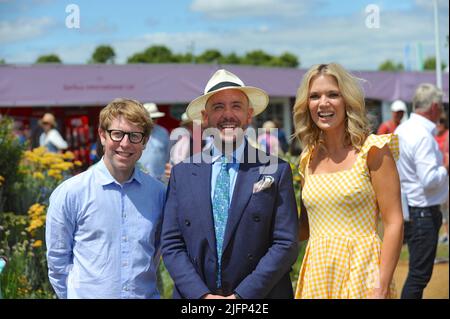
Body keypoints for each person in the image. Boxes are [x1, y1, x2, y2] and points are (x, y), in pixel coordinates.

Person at [161, 69, 299, 299]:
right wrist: (202, 295)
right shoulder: (182, 174)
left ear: (248, 115)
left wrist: (241, 297)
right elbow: (171, 243)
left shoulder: (276, 169)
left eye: (236, 106)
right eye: (218, 107)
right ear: (205, 118)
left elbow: (285, 243)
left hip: (260, 296)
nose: (228, 115)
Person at [293, 63, 404, 299]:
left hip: (363, 273)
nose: (323, 103)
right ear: (307, 104)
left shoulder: (373, 150)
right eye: (315, 96)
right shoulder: (307, 158)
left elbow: (394, 222)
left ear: (347, 100)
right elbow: (304, 227)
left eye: (333, 94)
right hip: (318, 273)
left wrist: (381, 288)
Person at [46, 98, 166, 299]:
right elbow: (57, 262)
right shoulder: (71, 193)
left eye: (135, 136)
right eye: (117, 134)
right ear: (102, 135)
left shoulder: (158, 194)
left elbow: (156, 254)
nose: (125, 144)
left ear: (144, 141)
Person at [395, 83, 449, 299]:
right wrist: (445, 167)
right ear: (434, 106)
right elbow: (429, 179)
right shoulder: (423, 136)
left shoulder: (403, 129)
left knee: (417, 274)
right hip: (423, 212)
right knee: (419, 276)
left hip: (411, 209)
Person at [138, 103, 170, 182]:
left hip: (160, 178)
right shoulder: (135, 132)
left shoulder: (163, 132)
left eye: (155, 118)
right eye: (151, 118)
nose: (153, 120)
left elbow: (168, 155)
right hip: (139, 177)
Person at [435, 115, 449, 244]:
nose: (439, 124)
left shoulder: (448, 135)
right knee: (443, 206)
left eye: (441, 122)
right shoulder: (434, 137)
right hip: (440, 174)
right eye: (437, 122)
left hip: (447, 173)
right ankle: (446, 233)